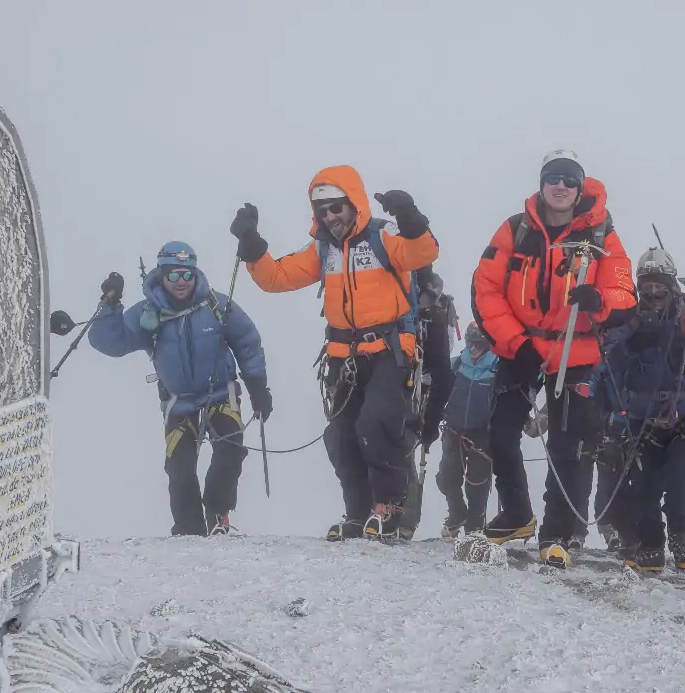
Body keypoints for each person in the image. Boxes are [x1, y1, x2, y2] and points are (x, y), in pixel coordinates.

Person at [230, 166, 438, 541]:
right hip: (344, 356)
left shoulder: (383, 236)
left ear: (353, 203)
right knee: (341, 435)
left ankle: (390, 507)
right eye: (322, 210)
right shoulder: (323, 248)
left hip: (390, 351)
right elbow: (275, 278)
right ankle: (358, 514)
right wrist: (252, 244)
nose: (330, 216)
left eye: (336, 207)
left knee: (374, 424)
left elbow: (422, 253)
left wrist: (408, 215)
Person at [472, 150, 636, 569]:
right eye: (552, 178)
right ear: (542, 184)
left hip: (576, 350)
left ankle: (558, 533)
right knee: (501, 429)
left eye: (568, 179)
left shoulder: (601, 235)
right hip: (522, 347)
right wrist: (515, 342)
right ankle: (517, 514)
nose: (560, 186)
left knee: (569, 441)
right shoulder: (515, 229)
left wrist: (598, 301)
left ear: (579, 187)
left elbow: (624, 293)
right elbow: (486, 289)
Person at [87, 242, 269, 536]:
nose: (181, 282)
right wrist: (110, 304)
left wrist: (258, 386)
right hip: (179, 403)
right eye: (173, 276)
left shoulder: (217, 306)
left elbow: (247, 343)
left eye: (187, 275)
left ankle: (217, 511)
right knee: (180, 468)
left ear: (196, 273)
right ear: (161, 276)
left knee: (230, 451)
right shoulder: (148, 314)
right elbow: (110, 342)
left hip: (222, 395)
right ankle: (189, 530)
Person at [598, 247, 685, 571]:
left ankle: (680, 533)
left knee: (680, 482)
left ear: (671, 287)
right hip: (643, 421)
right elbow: (609, 369)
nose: (653, 293)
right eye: (647, 287)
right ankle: (651, 546)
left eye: (660, 287)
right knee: (644, 487)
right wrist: (631, 340)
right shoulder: (629, 321)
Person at [399, 268, 458, 538]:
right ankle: (402, 519)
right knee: (401, 449)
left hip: (415, 392)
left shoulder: (430, 317)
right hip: (414, 390)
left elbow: (443, 374)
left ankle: (401, 518)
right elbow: (444, 376)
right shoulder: (433, 312)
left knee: (402, 448)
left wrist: (431, 420)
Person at [436, 322, 498, 538]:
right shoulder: (455, 365)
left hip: (482, 433)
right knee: (446, 477)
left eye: (478, 344)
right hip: (453, 430)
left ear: (488, 345)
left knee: (477, 482)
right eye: (471, 343)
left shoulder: (497, 368)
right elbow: (439, 388)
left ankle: (474, 526)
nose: (473, 348)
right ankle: (457, 513)